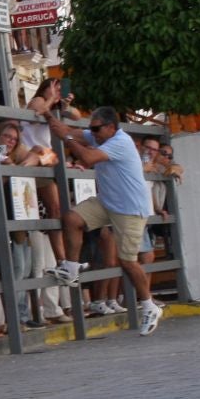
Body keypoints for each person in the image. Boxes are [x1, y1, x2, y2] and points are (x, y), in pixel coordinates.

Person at [46, 106, 162, 335]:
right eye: (92, 128)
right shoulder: (101, 135)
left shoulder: (121, 142)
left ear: (110, 127)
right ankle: (71, 267)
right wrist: (48, 115)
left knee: (127, 261)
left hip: (129, 208)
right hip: (108, 202)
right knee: (71, 218)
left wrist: (66, 137)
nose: (93, 133)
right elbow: (72, 132)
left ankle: (149, 305)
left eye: (97, 129)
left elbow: (87, 156)